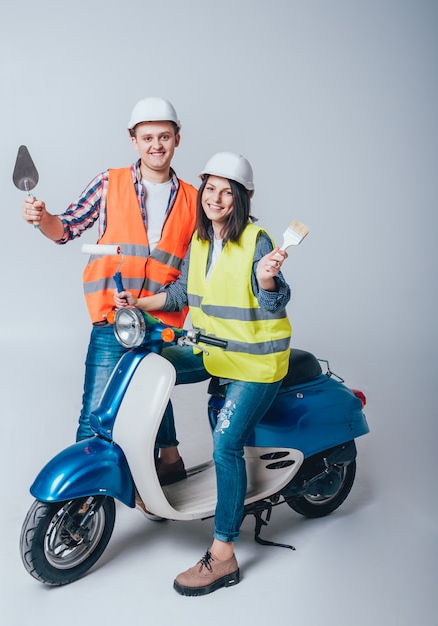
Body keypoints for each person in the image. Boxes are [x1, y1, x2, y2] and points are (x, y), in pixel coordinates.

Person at [114, 151, 292, 595]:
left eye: (225, 191)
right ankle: (167, 465)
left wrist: (268, 279)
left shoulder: (257, 240)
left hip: (256, 362)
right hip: (215, 353)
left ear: (241, 198)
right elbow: (179, 295)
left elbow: (274, 302)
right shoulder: (199, 241)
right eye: (210, 188)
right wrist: (139, 304)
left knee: (226, 444)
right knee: (146, 367)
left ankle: (224, 555)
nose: (215, 197)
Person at [22, 97, 201, 485]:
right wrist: (42, 219)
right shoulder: (109, 182)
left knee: (153, 387)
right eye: (148, 136)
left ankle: (168, 459)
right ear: (133, 140)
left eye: (165, 136)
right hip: (113, 316)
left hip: (159, 318)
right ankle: (81, 496)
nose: (157, 144)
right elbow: (65, 228)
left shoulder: (194, 199)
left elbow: (198, 266)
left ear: (177, 139)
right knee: (96, 411)